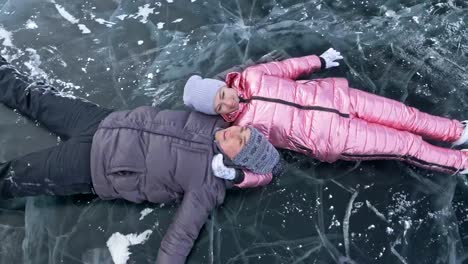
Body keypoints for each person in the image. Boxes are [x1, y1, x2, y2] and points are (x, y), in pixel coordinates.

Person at [0, 56, 281, 263]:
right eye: (243, 130)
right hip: (102, 121)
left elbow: (181, 236)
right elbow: (215, 87)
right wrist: (255, 71)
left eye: (240, 141)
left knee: (13, 177)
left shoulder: (208, 186)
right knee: (32, 95)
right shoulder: (214, 120)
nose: (235, 132)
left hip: (92, 164)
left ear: (238, 160)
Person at [183, 48, 468, 175]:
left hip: (341, 98)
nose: (227, 104)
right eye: (220, 107)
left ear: (223, 85)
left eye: (222, 95)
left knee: (407, 116)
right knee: (406, 145)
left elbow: (287, 68)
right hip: (335, 137)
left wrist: (318, 60)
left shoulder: (253, 75)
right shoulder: (244, 128)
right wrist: (232, 173)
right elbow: (258, 161)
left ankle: (456, 131)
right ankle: (459, 162)